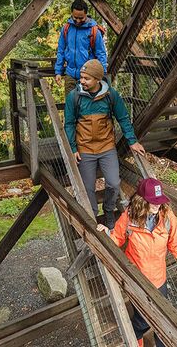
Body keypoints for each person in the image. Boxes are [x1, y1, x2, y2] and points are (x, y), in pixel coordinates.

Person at [97, 177, 177, 347]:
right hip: (136, 279)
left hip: (158, 280)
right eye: (152, 202)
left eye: (159, 200)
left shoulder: (168, 217)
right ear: (142, 201)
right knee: (143, 321)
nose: (157, 205)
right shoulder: (129, 215)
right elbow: (117, 239)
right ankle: (135, 340)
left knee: (162, 321)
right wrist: (106, 235)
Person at [64, 59, 145, 229]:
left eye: (87, 78)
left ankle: (108, 210)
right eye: (81, 77)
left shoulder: (111, 96)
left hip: (107, 147)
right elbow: (69, 124)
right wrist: (72, 148)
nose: (82, 81)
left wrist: (133, 141)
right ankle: (92, 217)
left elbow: (122, 118)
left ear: (98, 79)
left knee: (114, 183)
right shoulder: (74, 97)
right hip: (85, 148)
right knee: (87, 188)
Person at [55, 0, 107, 96]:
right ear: (71, 13)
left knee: (86, 107)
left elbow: (101, 54)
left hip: (88, 76)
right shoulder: (66, 28)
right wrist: (58, 71)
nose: (78, 21)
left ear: (86, 14)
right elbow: (61, 51)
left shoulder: (94, 30)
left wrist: (102, 74)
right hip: (70, 74)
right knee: (70, 105)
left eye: (81, 18)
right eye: (75, 18)